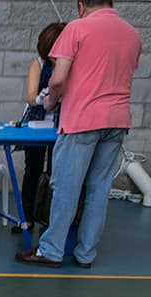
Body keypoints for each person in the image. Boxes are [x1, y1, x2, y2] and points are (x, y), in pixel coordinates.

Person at [17, 0, 141, 269]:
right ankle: (86, 253)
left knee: (66, 188)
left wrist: (50, 99)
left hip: (82, 120)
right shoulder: (132, 34)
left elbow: (59, 79)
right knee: (98, 189)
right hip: (118, 120)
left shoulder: (76, 28)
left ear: (82, 5)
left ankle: (50, 250)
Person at [16, 22, 68, 235]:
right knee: (33, 170)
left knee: (56, 172)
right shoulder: (38, 64)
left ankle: (50, 220)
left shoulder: (70, 64)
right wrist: (42, 96)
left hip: (62, 124)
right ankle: (26, 217)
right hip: (38, 121)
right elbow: (30, 96)